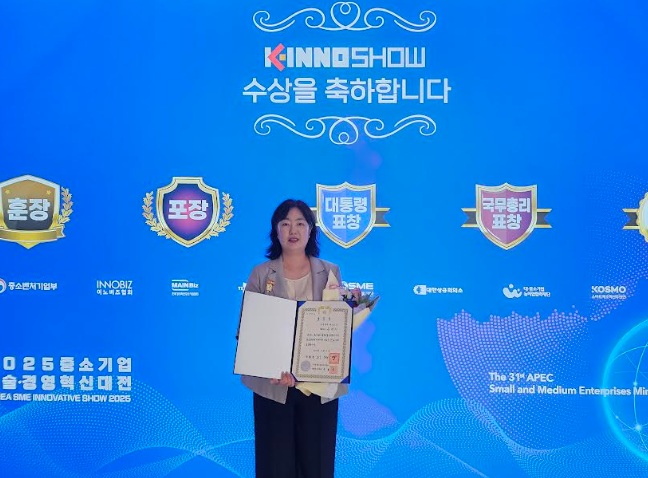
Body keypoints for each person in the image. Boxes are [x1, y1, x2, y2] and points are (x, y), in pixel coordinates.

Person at [241, 199, 345, 478]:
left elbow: (337, 329)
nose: (293, 230)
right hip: (273, 387)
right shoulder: (261, 274)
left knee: (317, 466)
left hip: (318, 387)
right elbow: (247, 330)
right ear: (275, 231)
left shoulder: (330, 272)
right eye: (285, 223)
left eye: (300, 223)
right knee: (275, 466)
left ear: (311, 230)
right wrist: (269, 366)